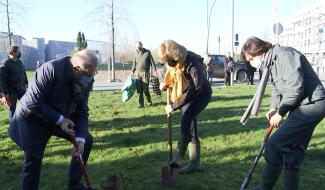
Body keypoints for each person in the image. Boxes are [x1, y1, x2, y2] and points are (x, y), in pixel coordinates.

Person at [241, 36, 325, 190]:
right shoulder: (271, 62)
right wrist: (273, 108)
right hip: (301, 106)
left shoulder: (285, 55)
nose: (252, 63)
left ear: (259, 51)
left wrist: (280, 112)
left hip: (312, 105)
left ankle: (265, 186)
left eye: (251, 59)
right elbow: (277, 88)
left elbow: (295, 88)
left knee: (274, 144)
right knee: (292, 153)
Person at [8, 49, 99, 190]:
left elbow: (82, 110)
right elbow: (33, 102)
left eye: (93, 74)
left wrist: (80, 139)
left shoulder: (86, 78)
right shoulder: (51, 69)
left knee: (86, 140)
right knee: (33, 161)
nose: (90, 78)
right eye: (88, 75)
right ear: (76, 68)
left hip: (59, 116)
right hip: (33, 119)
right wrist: (60, 120)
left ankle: (74, 185)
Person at [158, 40, 212, 174]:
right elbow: (165, 72)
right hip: (184, 94)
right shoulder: (170, 62)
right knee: (191, 126)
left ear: (175, 55)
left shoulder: (193, 63)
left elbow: (195, 90)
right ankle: (195, 164)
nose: (168, 63)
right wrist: (163, 83)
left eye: (169, 60)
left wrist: (173, 106)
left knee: (186, 119)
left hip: (201, 94)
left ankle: (179, 156)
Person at [0, 46, 28, 121]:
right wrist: (5, 92)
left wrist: (26, 83)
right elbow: (2, 79)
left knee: (27, 104)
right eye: (19, 51)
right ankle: (13, 126)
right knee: (12, 109)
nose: (20, 53)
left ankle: (24, 121)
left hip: (21, 89)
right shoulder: (5, 63)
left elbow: (24, 73)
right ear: (14, 52)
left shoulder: (19, 62)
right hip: (11, 91)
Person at [131, 41, 158, 108]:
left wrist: (155, 70)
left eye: (139, 46)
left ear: (142, 45)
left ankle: (149, 101)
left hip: (146, 73)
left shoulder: (147, 52)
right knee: (139, 89)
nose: (138, 48)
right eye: (137, 47)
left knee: (145, 88)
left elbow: (152, 62)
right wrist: (132, 72)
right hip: (138, 73)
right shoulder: (135, 53)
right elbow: (134, 64)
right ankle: (140, 104)